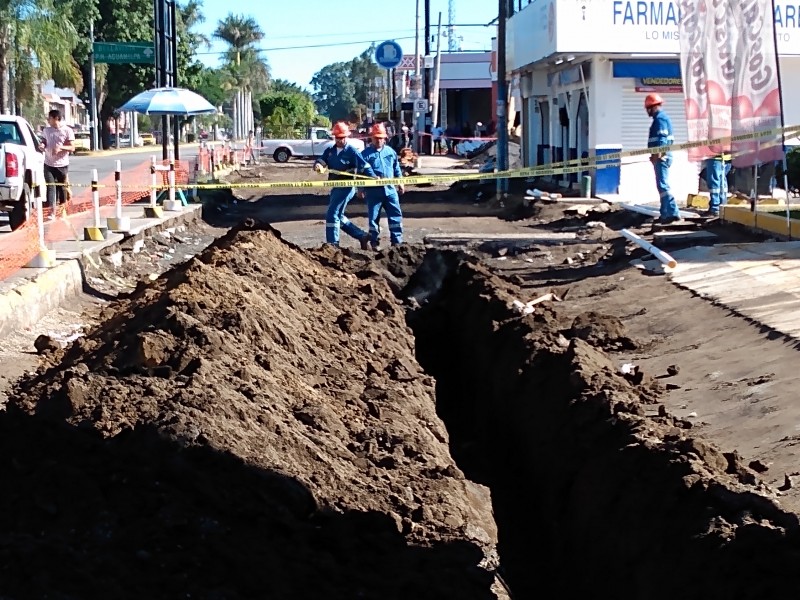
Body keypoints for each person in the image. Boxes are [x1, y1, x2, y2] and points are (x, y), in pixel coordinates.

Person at [313, 121, 376, 248]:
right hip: (336, 187)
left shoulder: (352, 151)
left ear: (346, 137)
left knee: (332, 214)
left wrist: (373, 177)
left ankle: (333, 244)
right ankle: (361, 236)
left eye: (341, 138)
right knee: (338, 216)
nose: (339, 140)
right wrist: (318, 165)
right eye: (337, 137)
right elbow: (321, 160)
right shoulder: (330, 151)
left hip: (347, 187)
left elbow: (364, 166)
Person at [360, 123, 404, 250]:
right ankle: (374, 242)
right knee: (374, 218)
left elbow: (396, 169)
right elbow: (360, 173)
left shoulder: (390, 152)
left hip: (390, 191)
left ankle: (397, 242)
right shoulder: (365, 155)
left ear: (385, 138)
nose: (379, 140)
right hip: (374, 192)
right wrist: (360, 189)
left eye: (381, 138)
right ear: (372, 138)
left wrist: (400, 182)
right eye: (376, 138)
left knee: (395, 215)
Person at [645, 93, 680, 223]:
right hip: (661, 156)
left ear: (652, 107)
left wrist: (657, 154)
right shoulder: (660, 119)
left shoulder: (660, 119)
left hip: (662, 157)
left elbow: (662, 138)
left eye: (648, 109)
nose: (647, 112)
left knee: (663, 185)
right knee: (661, 186)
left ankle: (672, 212)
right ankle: (665, 213)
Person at [40, 109, 75, 215]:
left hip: (62, 165)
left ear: (56, 119)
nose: (48, 120)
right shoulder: (46, 130)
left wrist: (61, 148)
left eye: (49, 118)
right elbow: (44, 141)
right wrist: (42, 145)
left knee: (62, 188)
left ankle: (62, 209)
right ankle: (51, 212)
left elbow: (72, 147)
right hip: (48, 164)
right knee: (50, 187)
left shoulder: (67, 130)